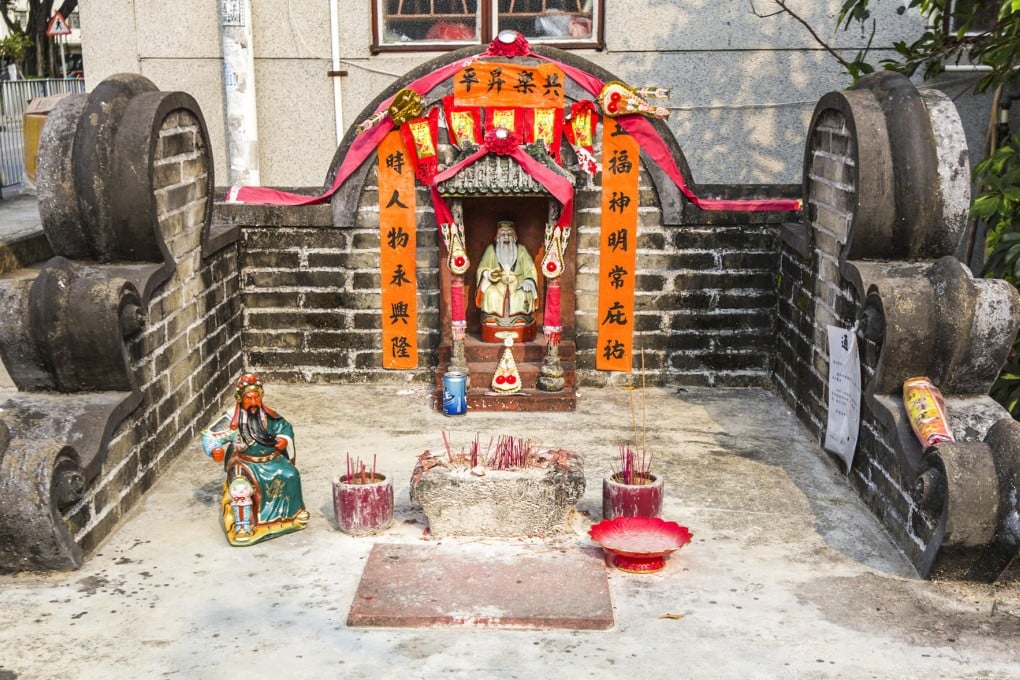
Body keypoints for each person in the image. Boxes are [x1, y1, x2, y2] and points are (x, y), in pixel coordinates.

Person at [205, 373, 309, 545]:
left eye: (256, 398)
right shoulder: (231, 420)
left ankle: (293, 514)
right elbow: (210, 437)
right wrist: (214, 449)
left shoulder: (269, 416)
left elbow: (286, 427)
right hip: (244, 462)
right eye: (248, 398)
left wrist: (284, 438)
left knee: (291, 474)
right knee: (240, 489)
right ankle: (243, 526)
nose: (253, 403)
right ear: (240, 399)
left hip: (272, 460)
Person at [475, 220, 540, 324]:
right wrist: (488, 274)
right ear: (498, 237)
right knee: (490, 293)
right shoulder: (491, 250)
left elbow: (530, 270)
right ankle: (493, 319)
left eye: (509, 234)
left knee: (524, 294)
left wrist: (528, 281)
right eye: (503, 234)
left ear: (514, 236)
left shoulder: (521, 250)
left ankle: (520, 319)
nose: (506, 237)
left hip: (517, 285)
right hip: (497, 285)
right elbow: (482, 268)